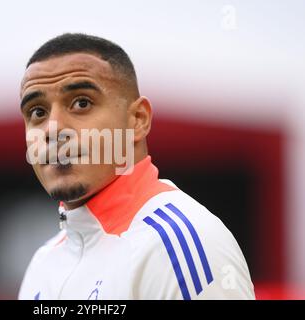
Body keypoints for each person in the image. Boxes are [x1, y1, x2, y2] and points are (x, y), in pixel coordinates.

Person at [18, 33, 255, 300]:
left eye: (81, 103)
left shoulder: (179, 243)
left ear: (137, 120)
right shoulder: (43, 265)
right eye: (37, 112)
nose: (53, 129)